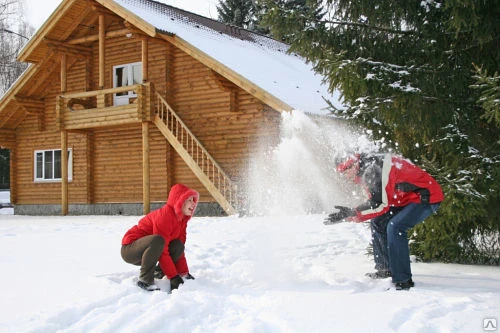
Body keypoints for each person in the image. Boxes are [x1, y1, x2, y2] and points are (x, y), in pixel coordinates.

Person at [324, 153, 444, 290]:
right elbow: (376, 202)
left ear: (355, 163)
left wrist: (354, 212)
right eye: (342, 172)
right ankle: (385, 270)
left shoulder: (373, 170)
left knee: (395, 227)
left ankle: (403, 280)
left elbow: (380, 204)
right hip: (406, 199)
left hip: (426, 197)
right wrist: (353, 214)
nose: (346, 175)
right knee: (378, 222)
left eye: (346, 169)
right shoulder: (366, 169)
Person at [121, 183, 199, 291]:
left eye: (193, 200)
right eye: (189, 200)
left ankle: (159, 271)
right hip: (130, 249)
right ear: (179, 201)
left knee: (178, 245)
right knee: (158, 240)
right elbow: (162, 249)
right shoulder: (165, 216)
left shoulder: (182, 220)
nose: (193, 203)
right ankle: (145, 280)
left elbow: (179, 250)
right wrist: (173, 276)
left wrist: (183, 272)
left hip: (151, 250)